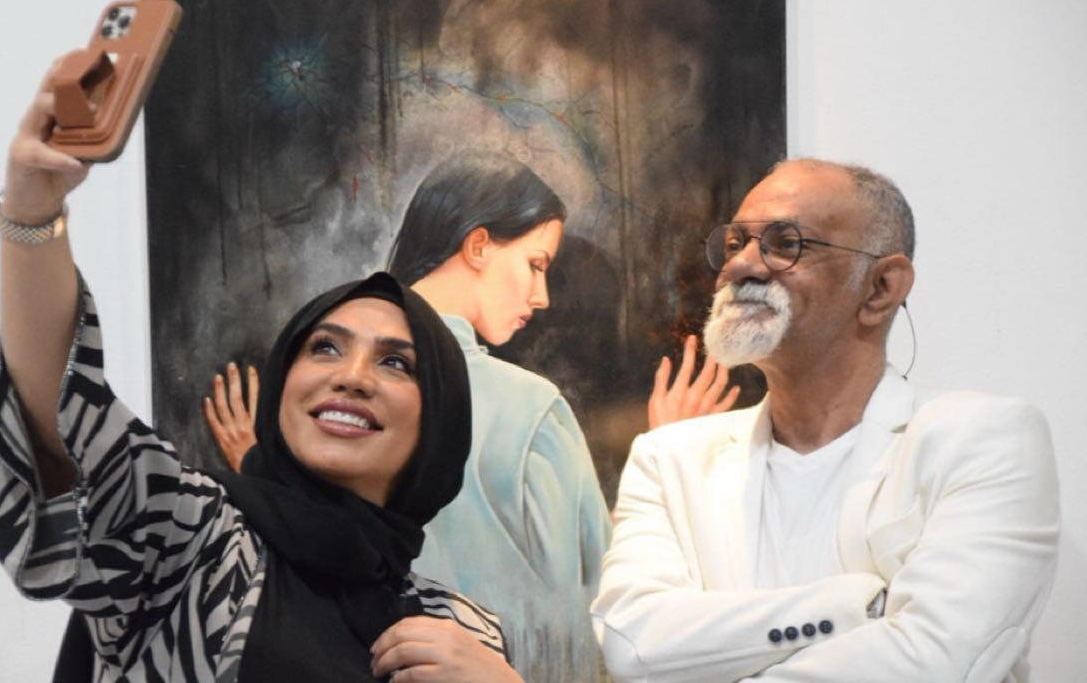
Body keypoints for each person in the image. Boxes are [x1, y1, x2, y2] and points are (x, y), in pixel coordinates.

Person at [0, 62, 522, 683]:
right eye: (324, 348)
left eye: (396, 362)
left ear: (440, 424)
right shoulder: (192, 539)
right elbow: (64, 419)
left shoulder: (461, 630)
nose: (352, 376)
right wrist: (32, 212)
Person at [201, 154, 740, 683]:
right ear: (478, 245)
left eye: (395, 364)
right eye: (535, 264)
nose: (542, 296)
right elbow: (596, 611)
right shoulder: (530, 406)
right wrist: (657, 458)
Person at [591, 158, 1060, 683]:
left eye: (786, 243)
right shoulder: (668, 458)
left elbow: (936, 659)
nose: (741, 265)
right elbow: (634, 645)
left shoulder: (983, 440)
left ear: (881, 287)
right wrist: (857, 606)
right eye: (735, 243)